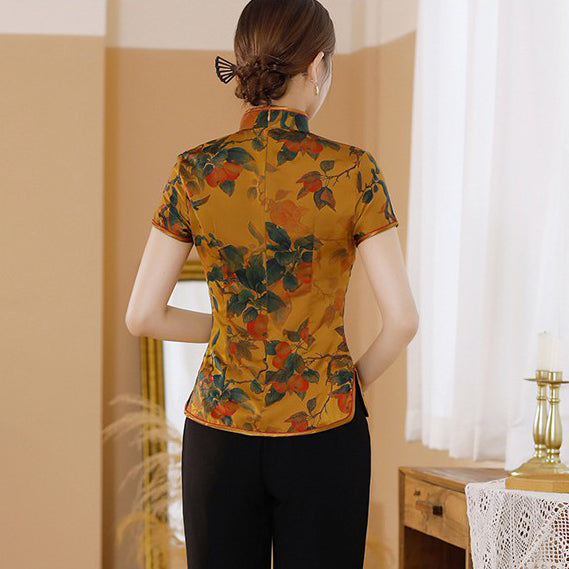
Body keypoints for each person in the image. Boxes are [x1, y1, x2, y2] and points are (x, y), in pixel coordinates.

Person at [126, 0, 419, 567]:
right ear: (316, 66)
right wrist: (348, 382)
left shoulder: (195, 169)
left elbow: (144, 316)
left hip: (218, 430)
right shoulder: (352, 170)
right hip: (325, 428)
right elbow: (402, 321)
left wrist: (234, 328)